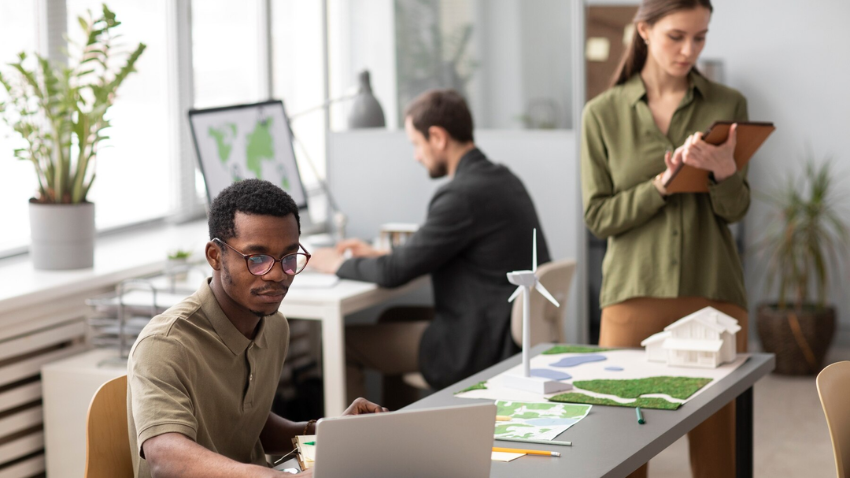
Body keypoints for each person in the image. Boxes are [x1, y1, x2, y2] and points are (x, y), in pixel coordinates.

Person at [580, 1, 749, 477]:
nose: (689, 49)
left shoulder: (728, 104)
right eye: (677, 36)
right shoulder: (602, 113)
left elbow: (735, 210)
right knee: (623, 447)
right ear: (644, 32)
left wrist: (726, 173)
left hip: (714, 293)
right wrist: (661, 186)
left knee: (718, 457)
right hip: (633, 296)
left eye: (701, 37)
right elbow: (598, 216)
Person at [127, 179, 388, 478]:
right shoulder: (165, 344)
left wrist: (330, 434)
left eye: (289, 258)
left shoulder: (274, 327)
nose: (277, 274)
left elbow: (249, 426)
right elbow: (166, 459)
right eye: (258, 259)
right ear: (215, 256)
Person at [310, 89, 550, 397]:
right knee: (391, 317)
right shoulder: (502, 179)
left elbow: (393, 273)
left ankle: (356, 444)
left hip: (479, 346)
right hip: (503, 330)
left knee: (341, 343)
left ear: (437, 137)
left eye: (416, 144)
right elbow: (435, 249)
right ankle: (399, 431)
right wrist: (380, 253)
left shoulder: (461, 196)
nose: (416, 155)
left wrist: (337, 263)